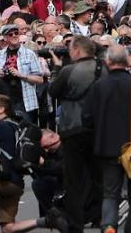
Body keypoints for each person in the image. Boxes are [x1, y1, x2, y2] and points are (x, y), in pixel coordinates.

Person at [84, 44, 131, 233]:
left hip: (107, 148)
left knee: (110, 194)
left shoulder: (98, 86)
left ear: (107, 61)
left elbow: (87, 118)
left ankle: (109, 226)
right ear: (126, 62)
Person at [0, 93, 61, 232]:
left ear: (1, 109)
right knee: (8, 228)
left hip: (1, 180)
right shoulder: (15, 126)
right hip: (16, 183)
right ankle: (45, 221)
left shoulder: (1, 127)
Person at [49, 35, 103, 233]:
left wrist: (56, 68)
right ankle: (99, 217)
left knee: (73, 178)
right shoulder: (102, 68)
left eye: (71, 50)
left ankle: (75, 223)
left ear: (78, 51)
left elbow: (53, 91)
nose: (69, 53)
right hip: (97, 128)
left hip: (73, 128)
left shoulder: (69, 71)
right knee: (98, 175)